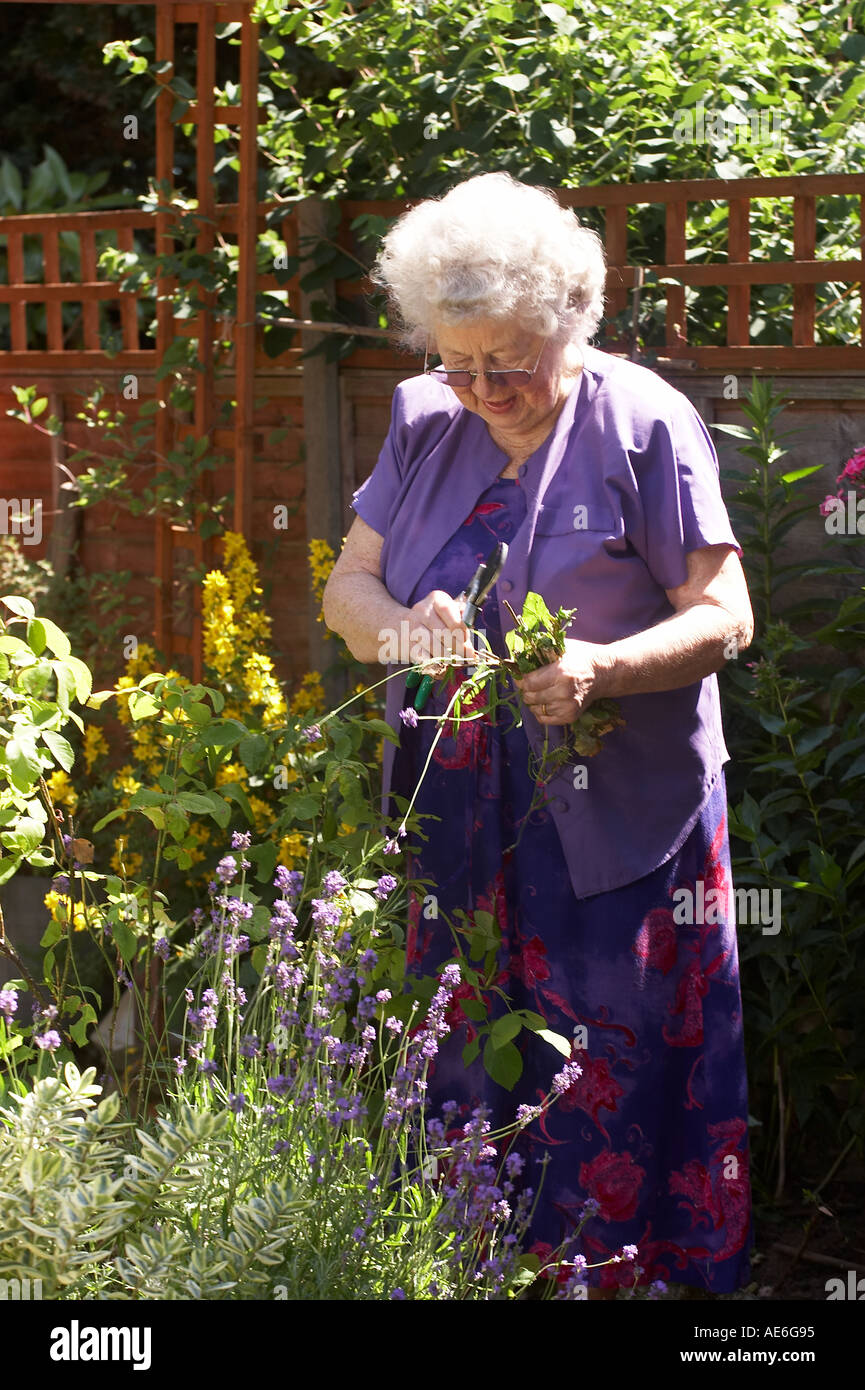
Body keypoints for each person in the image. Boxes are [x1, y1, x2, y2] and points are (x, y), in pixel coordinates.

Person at [323, 172, 755, 1299]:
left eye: (504, 363)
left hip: (614, 832)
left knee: (610, 1073)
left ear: (569, 318)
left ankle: (633, 1285)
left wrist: (602, 668)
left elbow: (727, 615)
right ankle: (470, 1274)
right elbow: (347, 589)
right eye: (454, 362)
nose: (479, 389)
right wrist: (399, 638)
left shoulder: (645, 421)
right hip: (456, 837)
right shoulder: (426, 420)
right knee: (463, 1068)